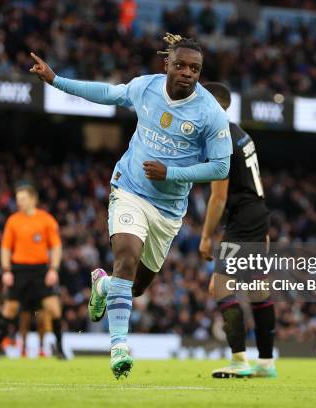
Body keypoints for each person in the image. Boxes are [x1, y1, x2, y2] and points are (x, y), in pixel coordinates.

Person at [30, 33, 232, 378]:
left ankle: (104, 285)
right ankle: (119, 346)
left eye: (195, 68)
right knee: (126, 256)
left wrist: (173, 173)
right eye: (181, 65)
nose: (187, 73)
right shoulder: (146, 87)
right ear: (167, 63)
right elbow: (109, 94)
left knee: (135, 286)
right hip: (130, 189)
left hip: (168, 211)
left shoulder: (211, 113)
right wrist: (56, 80)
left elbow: (221, 167)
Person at [199, 82, 277, 378]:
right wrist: (264, 227)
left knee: (219, 286)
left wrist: (206, 236)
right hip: (257, 214)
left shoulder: (220, 137)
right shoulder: (242, 134)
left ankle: (239, 361)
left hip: (243, 219)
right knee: (258, 288)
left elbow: (218, 196)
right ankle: (266, 363)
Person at [0, 184, 65, 359]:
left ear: (33, 199)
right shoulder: (13, 220)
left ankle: (60, 350)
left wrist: (53, 269)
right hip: (19, 270)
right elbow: (5, 248)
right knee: (9, 309)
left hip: (41, 270)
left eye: (22, 199)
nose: (19, 202)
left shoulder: (46, 219)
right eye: (18, 199)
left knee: (54, 309)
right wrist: (7, 270)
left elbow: (56, 247)